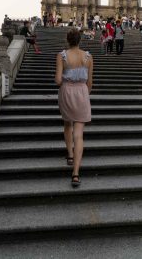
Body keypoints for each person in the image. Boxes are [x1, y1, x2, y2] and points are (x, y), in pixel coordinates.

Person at [55, 29, 93, 187]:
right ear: (80, 40)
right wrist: (84, 92)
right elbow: (90, 83)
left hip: (66, 92)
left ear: (67, 40)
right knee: (79, 134)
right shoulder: (88, 57)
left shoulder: (62, 55)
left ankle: (70, 155)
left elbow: (58, 80)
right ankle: (76, 173)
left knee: (67, 124)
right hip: (82, 93)